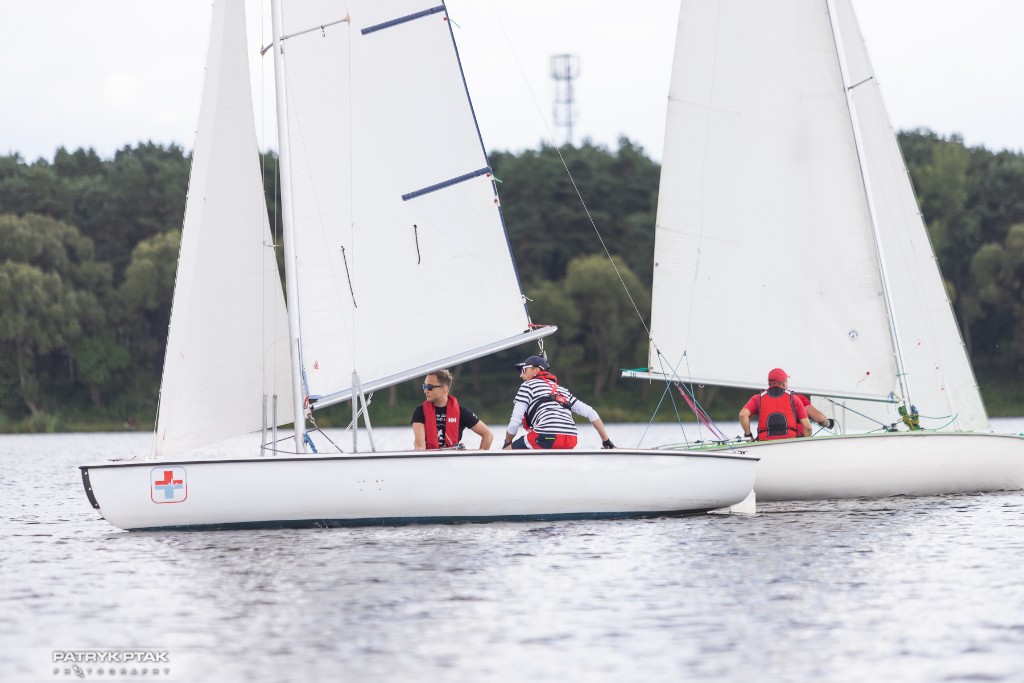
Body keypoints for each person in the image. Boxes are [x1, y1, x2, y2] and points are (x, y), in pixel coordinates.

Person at [502, 355, 614, 450]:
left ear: (536, 370)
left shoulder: (527, 386)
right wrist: (606, 441)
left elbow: (515, 422)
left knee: (507, 450)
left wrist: (507, 443)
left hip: (545, 437)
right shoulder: (563, 391)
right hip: (571, 439)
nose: (521, 375)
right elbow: (591, 413)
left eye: (524, 370)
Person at [411, 369, 493, 450]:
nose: (425, 391)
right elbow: (420, 446)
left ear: (444, 389)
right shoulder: (420, 412)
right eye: (424, 386)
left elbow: (488, 435)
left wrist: (480, 457)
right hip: (429, 457)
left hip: (453, 458)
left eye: (429, 387)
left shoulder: (462, 412)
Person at [739, 368, 814, 441]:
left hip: (765, 443)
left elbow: (743, 415)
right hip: (790, 441)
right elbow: (808, 428)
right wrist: (804, 444)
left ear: (769, 383)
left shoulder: (757, 398)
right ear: (784, 383)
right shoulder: (794, 399)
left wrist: (748, 435)